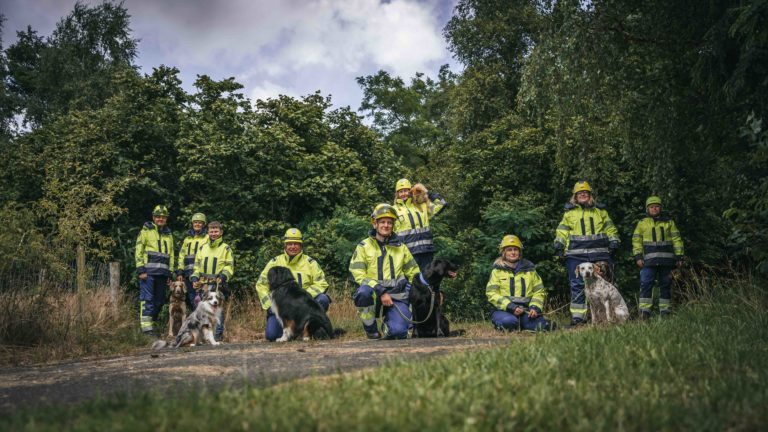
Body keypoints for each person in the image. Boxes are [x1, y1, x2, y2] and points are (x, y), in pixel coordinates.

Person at [349, 203, 425, 340]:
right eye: (382, 222)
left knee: (398, 333)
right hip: (374, 294)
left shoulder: (401, 247)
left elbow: (414, 272)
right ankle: (371, 330)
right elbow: (358, 274)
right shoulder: (363, 246)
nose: (386, 225)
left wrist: (426, 288)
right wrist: (381, 290)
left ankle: (389, 325)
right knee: (363, 292)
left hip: (397, 295)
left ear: (393, 225)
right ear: (375, 224)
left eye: (389, 222)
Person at [554, 181, 620, 326]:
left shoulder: (601, 211)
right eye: (579, 193)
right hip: (576, 255)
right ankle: (578, 318)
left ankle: (611, 316)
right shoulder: (569, 214)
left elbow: (611, 229)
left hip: (600, 253)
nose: (583, 195)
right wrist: (559, 245)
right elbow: (562, 231)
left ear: (590, 195)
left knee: (606, 284)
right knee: (577, 285)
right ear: (575, 197)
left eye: (586, 193)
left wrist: (614, 241)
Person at [255, 228, 331, 342]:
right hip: (282, 308)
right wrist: (269, 305)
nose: (293, 247)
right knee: (271, 336)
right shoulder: (275, 262)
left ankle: (311, 330)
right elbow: (261, 284)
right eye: (290, 244)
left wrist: (301, 298)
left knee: (323, 299)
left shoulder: (311, 263)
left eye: (296, 244)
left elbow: (321, 283)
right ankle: (292, 332)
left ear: (301, 246)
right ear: (285, 245)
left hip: (304, 309)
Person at [632, 196, 684, 319]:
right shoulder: (642, 223)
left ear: (660, 208)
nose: (654, 209)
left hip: (667, 261)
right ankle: (644, 313)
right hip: (648, 262)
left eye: (656, 206)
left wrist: (679, 257)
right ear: (647, 209)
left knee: (665, 285)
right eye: (651, 207)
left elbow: (677, 240)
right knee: (645, 284)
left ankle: (665, 312)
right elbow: (636, 240)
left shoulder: (669, 222)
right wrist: (638, 256)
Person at [486, 235, 552, 332]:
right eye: (509, 250)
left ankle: (524, 324)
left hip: (525, 311)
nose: (513, 252)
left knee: (543, 326)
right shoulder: (497, 271)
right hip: (503, 311)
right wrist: (511, 307)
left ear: (519, 252)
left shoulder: (530, 270)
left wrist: (534, 308)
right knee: (509, 322)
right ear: (504, 252)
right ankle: (513, 324)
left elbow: (539, 291)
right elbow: (491, 293)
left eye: (515, 249)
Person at [135, 205, 175, 336]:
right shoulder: (145, 231)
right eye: (158, 217)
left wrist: (170, 273)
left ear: (166, 219)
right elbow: (139, 251)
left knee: (159, 301)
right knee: (148, 300)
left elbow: (172, 254)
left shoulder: (169, 235)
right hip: (148, 273)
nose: (160, 219)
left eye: (163, 217)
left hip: (163, 275)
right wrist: (141, 270)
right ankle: (146, 330)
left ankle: (152, 324)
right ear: (153, 217)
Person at [190, 221, 234, 342]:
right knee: (201, 309)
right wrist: (194, 277)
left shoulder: (226, 248)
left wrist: (224, 275)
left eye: (216, 231)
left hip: (218, 283)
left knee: (217, 310)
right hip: (203, 284)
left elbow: (229, 266)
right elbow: (197, 266)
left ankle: (217, 335)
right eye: (211, 231)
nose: (213, 233)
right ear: (208, 232)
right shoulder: (202, 247)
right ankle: (202, 336)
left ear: (221, 232)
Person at [392, 178, 448, 272]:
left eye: (405, 190)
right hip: (408, 254)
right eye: (400, 192)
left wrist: (426, 192)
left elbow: (441, 204)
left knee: (427, 282)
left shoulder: (422, 206)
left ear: (410, 191)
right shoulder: (394, 210)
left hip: (426, 252)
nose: (403, 194)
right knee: (412, 283)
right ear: (397, 194)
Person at [175, 212, 209, 309]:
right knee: (192, 299)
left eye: (200, 222)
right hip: (188, 274)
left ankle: (203, 322)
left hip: (201, 274)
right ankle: (197, 321)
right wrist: (180, 272)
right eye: (195, 222)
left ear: (203, 224)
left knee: (202, 299)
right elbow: (181, 256)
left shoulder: (207, 238)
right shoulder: (187, 239)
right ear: (192, 224)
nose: (197, 224)